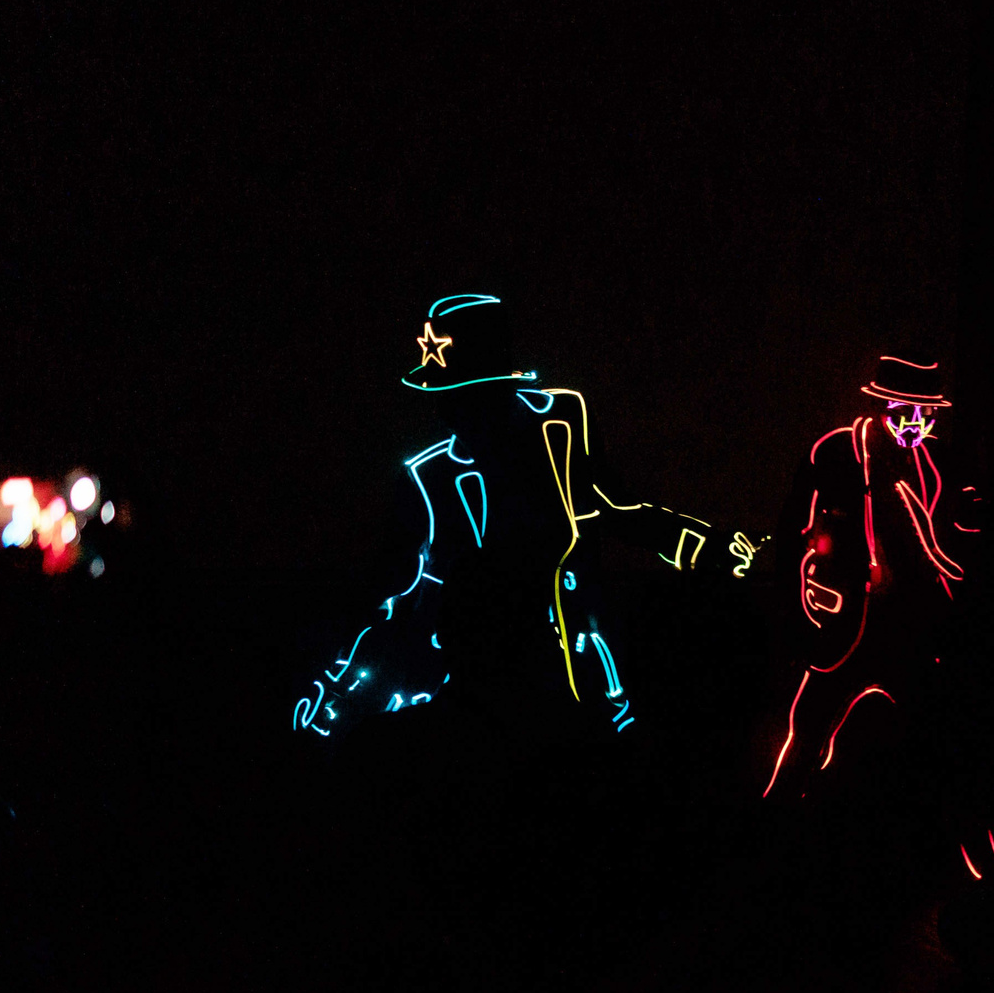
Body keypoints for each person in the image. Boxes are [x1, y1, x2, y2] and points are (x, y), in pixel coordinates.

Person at [295, 294, 716, 739]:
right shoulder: (432, 475)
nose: (445, 412)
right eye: (439, 396)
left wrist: (704, 547)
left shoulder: (561, 423)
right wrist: (341, 694)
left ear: (493, 389)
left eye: (457, 396)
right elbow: (411, 594)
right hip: (486, 679)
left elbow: (613, 507)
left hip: (576, 664)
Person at [762, 353, 981, 818]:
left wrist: (965, 532)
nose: (915, 423)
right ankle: (774, 824)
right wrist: (799, 607)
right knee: (806, 735)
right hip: (847, 621)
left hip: (909, 625)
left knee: (942, 739)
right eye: (904, 411)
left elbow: (949, 540)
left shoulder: (934, 464)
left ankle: (964, 842)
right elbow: (794, 531)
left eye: (925, 413)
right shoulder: (838, 451)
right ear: (881, 405)